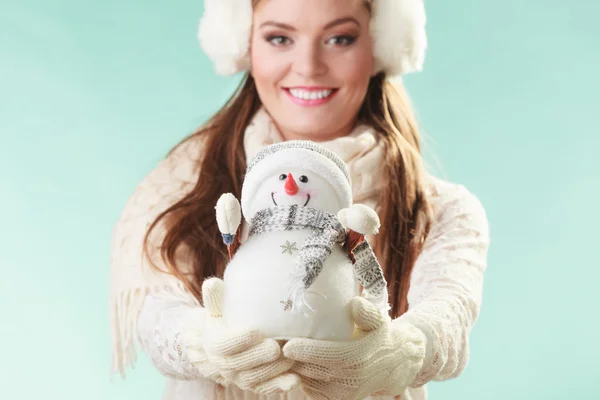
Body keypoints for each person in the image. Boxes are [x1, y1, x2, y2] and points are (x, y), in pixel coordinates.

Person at [109, 0, 490, 398]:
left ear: (379, 45)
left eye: (340, 38)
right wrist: (200, 342)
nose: (309, 65)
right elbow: (157, 312)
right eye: (279, 38)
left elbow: (448, 317)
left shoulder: (442, 210)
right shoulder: (181, 189)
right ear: (245, 45)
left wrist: (403, 352)